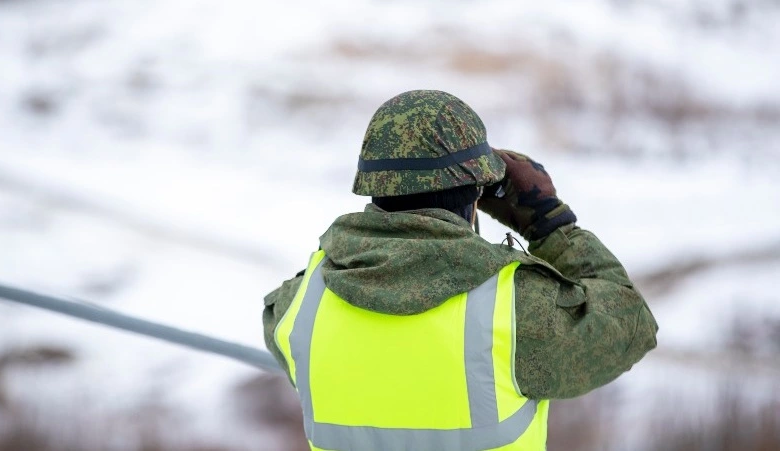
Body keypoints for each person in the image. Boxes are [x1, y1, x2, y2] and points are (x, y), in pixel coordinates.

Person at [262, 90, 658, 451]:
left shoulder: (298, 308)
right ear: (475, 198)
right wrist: (550, 222)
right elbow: (632, 323)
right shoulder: (519, 311)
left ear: (374, 185)